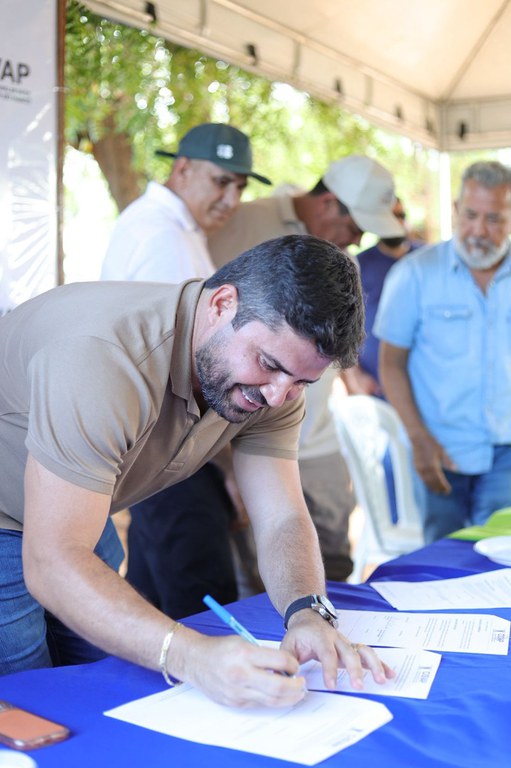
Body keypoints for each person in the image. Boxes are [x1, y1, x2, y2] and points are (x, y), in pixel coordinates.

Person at [0, 234, 393, 706]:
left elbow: (282, 516)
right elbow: (53, 561)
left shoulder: (277, 379)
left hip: (74, 508)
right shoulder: (102, 358)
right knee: (32, 709)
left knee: (107, 692)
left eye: (302, 382)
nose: (277, 396)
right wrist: (191, 655)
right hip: (14, 518)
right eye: (267, 364)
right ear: (223, 304)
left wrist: (308, 612)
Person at [101, 123, 271, 617]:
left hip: (156, 442)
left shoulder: (167, 226)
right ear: (182, 169)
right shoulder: (163, 235)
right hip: (169, 442)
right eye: (221, 181)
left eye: (240, 186)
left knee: (152, 599)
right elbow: (196, 365)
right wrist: (229, 465)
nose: (231, 198)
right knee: (204, 605)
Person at [209, 155, 404, 581]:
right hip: (250, 441)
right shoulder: (242, 224)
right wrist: (224, 460)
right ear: (329, 202)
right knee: (260, 580)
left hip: (318, 442)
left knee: (333, 569)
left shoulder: (344, 261)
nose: (357, 240)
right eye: (355, 227)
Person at [374, 160, 511, 543]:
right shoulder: (415, 273)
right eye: (470, 215)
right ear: (455, 209)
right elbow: (391, 363)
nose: (479, 230)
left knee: (502, 560)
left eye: (494, 219)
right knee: (441, 559)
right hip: (439, 448)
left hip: (507, 454)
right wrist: (418, 439)